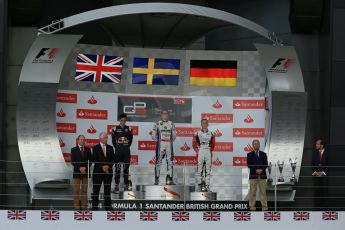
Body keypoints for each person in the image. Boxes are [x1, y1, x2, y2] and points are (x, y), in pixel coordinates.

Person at [151, 109, 176, 185]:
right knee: (158, 161)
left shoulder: (171, 124)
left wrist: (168, 141)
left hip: (169, 144)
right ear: (161, 115)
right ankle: (157, 179)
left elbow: (174, 136)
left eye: (166, 113)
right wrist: (159, 140)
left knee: (170, 161)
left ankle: (170, 178)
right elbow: (153, 136)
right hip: (161, 144)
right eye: (163, 113)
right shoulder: (157, 124)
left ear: (168, 115)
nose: (165, 115)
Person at [91, 132, 115, 211]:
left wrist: (107, 166)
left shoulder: (111, 148)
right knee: (96, 190)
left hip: (108, 172)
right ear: (100, 139)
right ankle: (94, 206)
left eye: (107, 137)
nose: (106, 139)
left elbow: (113, 160)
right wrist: (102, 167)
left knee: (107, 190)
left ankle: (108, 206)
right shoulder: (95, 148)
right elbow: (94, 160)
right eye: (105, 137)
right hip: (98, 173)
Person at [111, 113, 133, 192]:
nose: (123, 122)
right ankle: (116, 185)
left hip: (126, 151)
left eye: (124, 120)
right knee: (117, 168)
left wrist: (126, 146)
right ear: (119, 120)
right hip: (118, 152)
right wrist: (118, 147)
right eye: (121, 120)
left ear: (126, 121)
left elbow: (130, 140)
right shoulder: (114, 129)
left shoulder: (129, 129)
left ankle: (126, 184)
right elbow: (113, 140)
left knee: (126, 168)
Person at [192, 118, 215, 192]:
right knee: (200, 169)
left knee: (208, 170)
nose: (204, 124)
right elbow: (194, 144)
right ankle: (199, 186)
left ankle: (207, 186)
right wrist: (198, 151)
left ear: (208, 124)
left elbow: (213, 145)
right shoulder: (197, 133)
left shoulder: (212, 133)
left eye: (206, 123)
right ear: (201, 124)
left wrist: (209, 151)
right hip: (201, 150)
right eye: (203, 123)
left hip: (208, 150)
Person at [71, 135, 92, 210]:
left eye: (84, 139)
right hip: (77, 172)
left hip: (85, 173)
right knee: (76, 190)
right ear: (78, 140)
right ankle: (76, 204)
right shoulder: (73, 149)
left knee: (84, 190)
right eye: (81, 139)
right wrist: (80, 168)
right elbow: (73, 162)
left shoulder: (88, 150)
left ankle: (84, 205)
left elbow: (90, 161)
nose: (82, 141)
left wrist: (85, 168)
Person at [247, 139, 268, 211]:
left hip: (262, 176)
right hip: (253, 176)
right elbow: (249, 165)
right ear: (253, 145)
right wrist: (256, 170)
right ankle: (252, 206)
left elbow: (266, 164)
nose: (256, 145)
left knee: (263, 192)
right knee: (252, 192)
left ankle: (264, 207)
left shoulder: (264, 154)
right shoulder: (249, 154)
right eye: (255, 144)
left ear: (259, 145)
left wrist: (261, 169)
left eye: (257, 143)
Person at [312, 138, 329, 209]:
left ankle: (324, 208)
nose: (316, 145)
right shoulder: (315, 153)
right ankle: (316, 209)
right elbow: (312, 164)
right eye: (316, 144)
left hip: (324, 176)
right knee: (316, 192)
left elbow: (329, 164)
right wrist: (315, 172)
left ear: (322, 145)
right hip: (316, 176)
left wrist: (322, 173)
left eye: (317, 144)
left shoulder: (328, 153)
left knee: (324, 192)